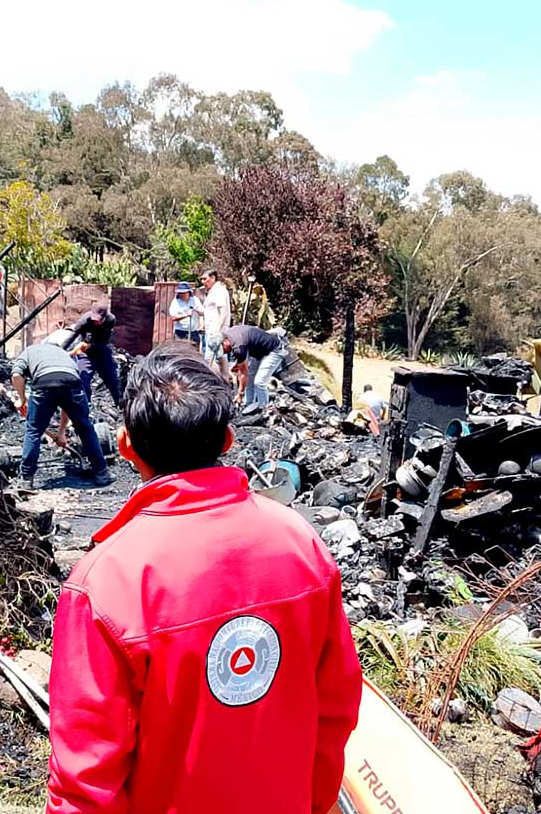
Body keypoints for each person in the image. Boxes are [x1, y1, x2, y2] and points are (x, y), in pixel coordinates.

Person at [46, 345, 361, 814]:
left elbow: (86, 782)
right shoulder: (301, 543)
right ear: (229, 439)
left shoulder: (107, 582)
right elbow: (334, 710)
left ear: (125, 444)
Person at [12, 336, 115, 490]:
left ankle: (26, 480)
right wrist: (61, 432)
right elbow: (67, 404)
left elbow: (16, 375)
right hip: (72, 382)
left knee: (33, 430)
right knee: (85, 428)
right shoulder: (63, 355)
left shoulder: (30, 350)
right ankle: (102, 473)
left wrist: (22, 399)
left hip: (44, 384)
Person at [61, 302, 123, 407]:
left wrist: (91, 345)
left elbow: (104, 342)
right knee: (83, 380)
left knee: (113, 381)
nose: (95, 322)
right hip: (86, 354)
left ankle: (121, 407)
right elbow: (72, 335)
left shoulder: (110, 320)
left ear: (104, 317)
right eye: (94, 319)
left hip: (102, 352)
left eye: (98, 320)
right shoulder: (84, 320)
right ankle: (86, 408)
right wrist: (60, 350)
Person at [222, 323, 289, 415]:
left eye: (222, 349)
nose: (223, 352)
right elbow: (244, 354)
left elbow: (243, 374)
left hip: (274, 350)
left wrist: (240, 394)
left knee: (259, 382)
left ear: (225, 342)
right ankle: (248, 405)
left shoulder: (238, 346)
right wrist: (237, 364)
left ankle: (265, 411)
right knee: (250, 377)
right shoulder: (230, 335)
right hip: (259, 351)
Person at [200, 268, 231, 373]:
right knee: (221, 358)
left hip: (216, 331)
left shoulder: (219, 291)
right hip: (211, 330)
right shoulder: (212, 292)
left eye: (205, 279)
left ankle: (214, 384)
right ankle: (223, 383)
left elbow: (223, 312)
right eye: (201, 279)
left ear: (213, 278)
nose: (203, 282)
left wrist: (217, 331)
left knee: (210, 360)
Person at [167, 281, 203, 348]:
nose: (181, 294)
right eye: (180, 293)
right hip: (180, 333)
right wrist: (186, 315)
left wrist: (196, 310)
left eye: (184, 293)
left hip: (193, 332)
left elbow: (203, 313)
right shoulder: (175, 302)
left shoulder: (195, 300)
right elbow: (173, 318)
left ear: (189, 292)